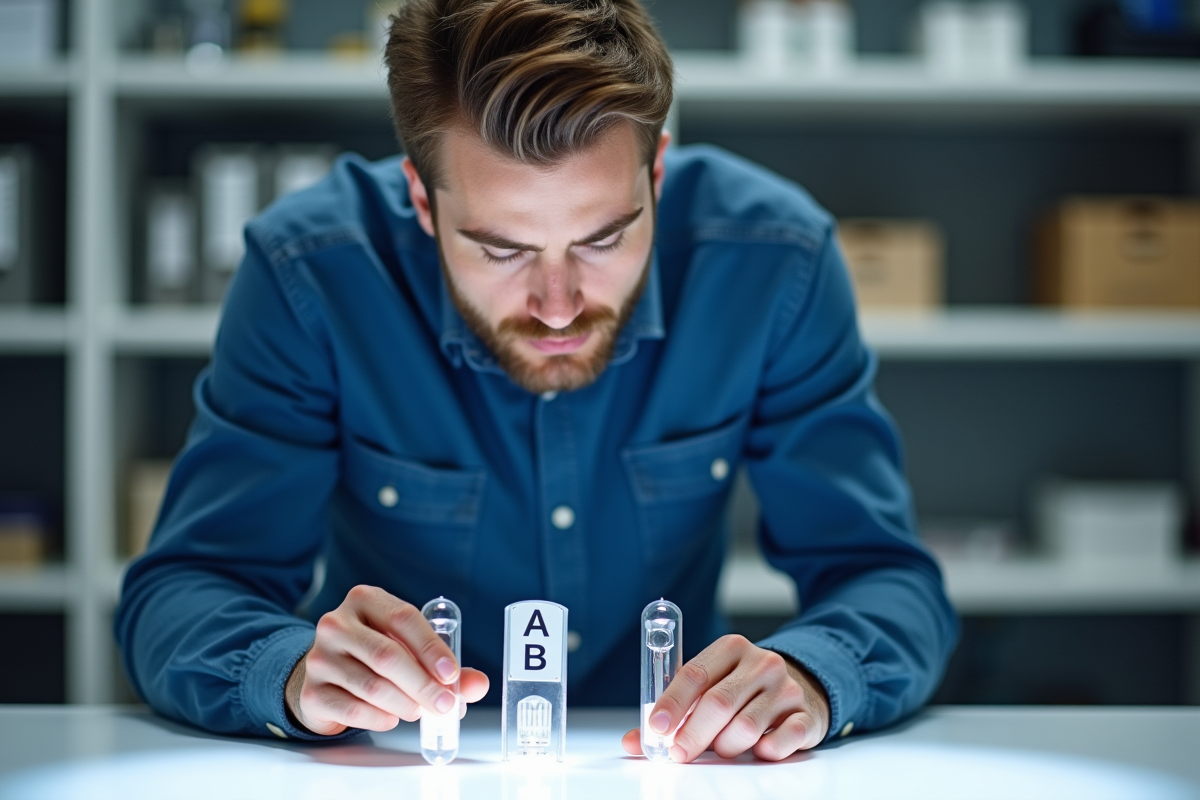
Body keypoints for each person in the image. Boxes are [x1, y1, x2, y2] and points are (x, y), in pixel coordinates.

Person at [115, 0, 958, 763]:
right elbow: (184, 591)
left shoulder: (776, 259)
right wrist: (290, 670)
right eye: (502, 248)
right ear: (420, 197)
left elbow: (885, 578)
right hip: (402, 770)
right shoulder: (313, 273)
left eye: (602, 239)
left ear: (655, 175)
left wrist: (812, 678)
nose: (558, 307)